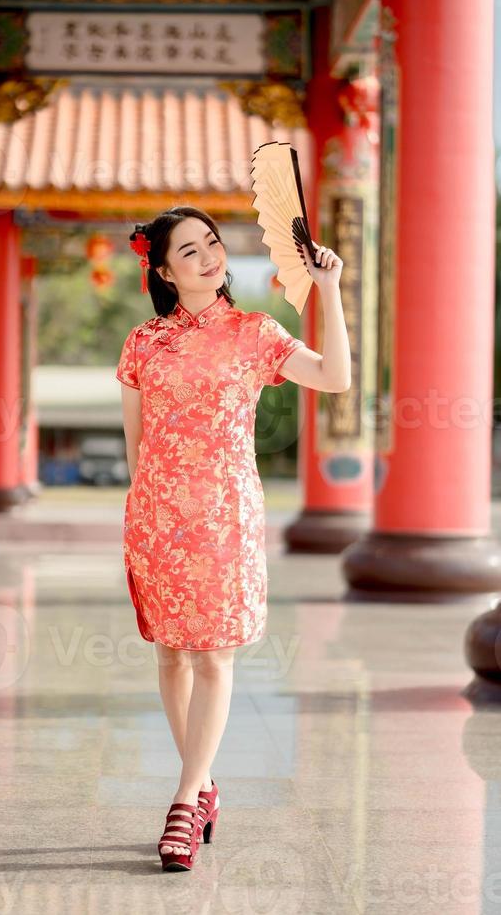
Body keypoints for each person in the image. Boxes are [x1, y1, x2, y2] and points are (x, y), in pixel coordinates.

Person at [115, 206, 350, 872]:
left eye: (212, 243)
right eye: (189, 251)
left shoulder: (255, 334)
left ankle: (186, 800)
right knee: (171, 658)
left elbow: (335, 378)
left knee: (214, 657)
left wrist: (327, 289)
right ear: (163, 270)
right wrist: (143, 512)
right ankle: (204, 780)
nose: (209, 257)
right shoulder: (141, 343)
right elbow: (137, 447)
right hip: (157, 515)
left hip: (224, 515)